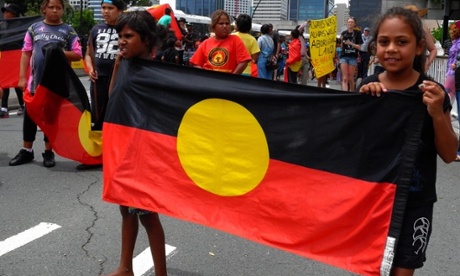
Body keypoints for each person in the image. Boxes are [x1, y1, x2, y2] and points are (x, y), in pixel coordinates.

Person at [358, 7, 458, 276]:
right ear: (375, 46)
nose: (391, 49)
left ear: (418, 47)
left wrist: (436, 113)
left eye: (401, 42)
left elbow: (449, 154)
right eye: (384, 41)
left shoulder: (433, 93)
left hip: (416, 201)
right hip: (374, 199)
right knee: (372, 268)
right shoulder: (367, 89)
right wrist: (363, 106)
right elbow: (351, 146)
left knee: (403, 270)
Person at [106, 10, 168, 276]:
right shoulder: (126, 64)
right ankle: (124, 267)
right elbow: (113, 98)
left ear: (146, 40)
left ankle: (161, 273)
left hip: (142, 158)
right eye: (120, 36)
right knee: (126, 212)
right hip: (122, 152)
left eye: (129, 36)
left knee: (148, 217)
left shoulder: (154, 74)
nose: (122, 41)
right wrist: (118, 66)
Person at [9, 0, 82, 168]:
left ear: (63, 10)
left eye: (58, 7)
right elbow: (26, 53)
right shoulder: (34, 29)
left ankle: (48, 151)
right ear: (44, 9)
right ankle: (26, 150)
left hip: (56, 84)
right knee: (30, 116)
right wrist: (22, 78)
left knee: (50, 118)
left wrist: (59, 52)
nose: (55, 10)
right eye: (51, 7)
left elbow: (78, 54)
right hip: (35, 83)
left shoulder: (68, 30)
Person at [189, 10, 250, 74]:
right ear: (214, 26)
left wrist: (232, 78)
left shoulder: (235, 40)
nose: (224, 26)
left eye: (227, 23)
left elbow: (244, 61)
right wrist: (205, 76)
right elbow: (195, 63)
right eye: (221, 23)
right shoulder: (206, 43)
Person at [0, 3, 25, 118]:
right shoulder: (2, 25)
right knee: (4, 82)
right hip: (5, 57)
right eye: (4, 11)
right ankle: (4, 108)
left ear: (14, 14)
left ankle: (22, 105)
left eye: (7, 12)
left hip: (17, 57)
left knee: (16, 83)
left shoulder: (21, 26)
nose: (5, 14)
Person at [404, 5, 437, 73]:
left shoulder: (422, 30)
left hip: (417, 65)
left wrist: (428, 64)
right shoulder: (400, 28)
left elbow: (433, 49)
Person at [340, 17, 363, 92]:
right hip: (344, 56)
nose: (350, 23)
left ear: (354, 24)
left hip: (353, 57)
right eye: (349, 22)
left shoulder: (357, 33)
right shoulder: (344, 33)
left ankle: (352, 93)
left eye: (352, 22)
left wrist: (350, 43)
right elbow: (341, 47)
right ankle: (344, 94)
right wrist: (341, 41)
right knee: (345, 77)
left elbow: (359, 47)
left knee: (350, 78)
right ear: (347, 23)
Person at [443, 21, 460, 105]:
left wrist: (456, 64)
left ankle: (445, 112)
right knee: (452, 93)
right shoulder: (456, 41)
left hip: (454, 70)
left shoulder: (458, 42)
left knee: (447, 92)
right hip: (452, 70)